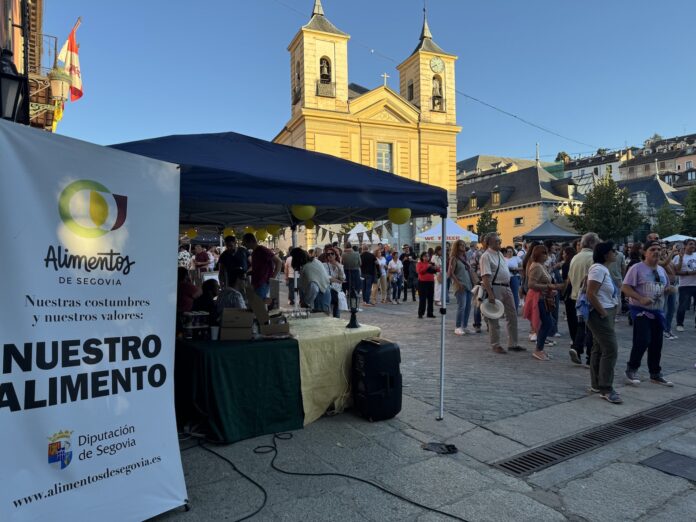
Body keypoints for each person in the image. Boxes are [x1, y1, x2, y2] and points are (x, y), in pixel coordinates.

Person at [622, 240, 675, 387]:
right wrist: (640, 298)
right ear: (644, 252)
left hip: (658, 312)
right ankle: (631, 369)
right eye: (652, 249)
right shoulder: (636, 268)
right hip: (641, 311)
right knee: (643, 340)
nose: (657, 252)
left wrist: (668, 290)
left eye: (658, 249)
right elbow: (625, 288)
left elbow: (665, 286)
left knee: (657, 343)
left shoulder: (661, 270)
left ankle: (655, 373)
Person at [585, 242, 622, 404]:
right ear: (606, 254)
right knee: (610, 348)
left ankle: (597, 384)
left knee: (599, 347)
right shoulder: (598, 269)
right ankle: (606, 387)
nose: (616, 253)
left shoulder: (602, 269)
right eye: (613, 251)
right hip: (600, 314)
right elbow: (590, 294)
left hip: (605, 311)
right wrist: (603, 312)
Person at [479, 232, 521, 354]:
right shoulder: (486, 256)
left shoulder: (500, 254)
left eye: (499, 240)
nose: (500, 242)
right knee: (494, 317)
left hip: (506, 287)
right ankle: (496, 344)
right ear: (489, 243)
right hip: (496, 288)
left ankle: (513, 343)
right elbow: (485, 277)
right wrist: (490, 294)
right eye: (497, 241)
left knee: (512, 315)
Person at [568, 232, 600, 365]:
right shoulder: (592, 257)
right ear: (592, 243)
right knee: (591, 328)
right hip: (588, 296)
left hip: (576, 296)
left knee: (581, 325)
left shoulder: (575, 257)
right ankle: (589, 356)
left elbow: (570, 277)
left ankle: (577, 347)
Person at [523, 245, 560, 360]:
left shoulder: (541, 265)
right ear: (538, 254)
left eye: (546, 253)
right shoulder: (536, 266)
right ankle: (538, 350)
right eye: (544, 253)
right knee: (548, 323)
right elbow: (531, 284)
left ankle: (540, 349)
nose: (546, 255)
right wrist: (548, 286)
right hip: (538, 299)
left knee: (548, 323)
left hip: (543, 298)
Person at [448, 240, 477, 335]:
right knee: (462, 306)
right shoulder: (454, 258)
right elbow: (451, 273)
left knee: (468, 307)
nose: (463, 246)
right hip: (460, 285)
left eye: (464, 245)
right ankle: (458, 327)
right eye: (461, 245)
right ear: (456, 246)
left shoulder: (465, 258)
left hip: (468, 285)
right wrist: (458, 283)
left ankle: (464, 326)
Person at [242, 233, 282, 299]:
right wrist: (247, 273)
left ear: (251, 241)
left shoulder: (262, 250)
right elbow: (257, 268)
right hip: (257, 283)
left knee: (259, 305)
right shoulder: (254, 252)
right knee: (257, 304)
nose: (244, 245)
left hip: (263, 283)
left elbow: (279, 261)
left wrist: (273, 277)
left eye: (245, 242)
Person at [291, 247, 331, 313]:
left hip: (319, 300)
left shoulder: (306, 268)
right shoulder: (316, 261)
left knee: (319, 320)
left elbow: (314, 288)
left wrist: (306, 302)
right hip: (326, 293)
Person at [673, 238, 696, 332]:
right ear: (685, 246)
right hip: (685, 285)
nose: (693, 246)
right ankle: (679, 324)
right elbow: (675, 271)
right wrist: (689, 273)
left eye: (694, 244)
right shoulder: (678, 257)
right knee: (683, 306)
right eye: (691, 244)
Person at [561, 246, 578, 344]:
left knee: (571, 318)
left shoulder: (566, 265)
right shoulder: (576, 262)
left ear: (567, 254)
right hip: (579, 291)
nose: (562, 255)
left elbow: (565, 281)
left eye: (563, 253)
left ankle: (574, 338)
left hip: (570, 292)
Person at [660, 244, 678, 339]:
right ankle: (663, 329)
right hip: (665, 287)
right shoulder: (659, 260)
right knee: (664, 309)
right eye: (661, 248)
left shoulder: (668, 259)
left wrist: (681, 258)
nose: (664, 249)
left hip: (673, 286)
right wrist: (673, 251)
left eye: (664, 247)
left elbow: (676, 270)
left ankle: (668, 328)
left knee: (672, 309)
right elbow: (669, 269)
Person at [323, 249, 345, 318]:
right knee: (328, 312)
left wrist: (338, 267)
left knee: (337, 312)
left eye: (332, 253)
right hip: (328, 290)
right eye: (328, 254)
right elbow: (327, 278)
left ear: (335, 255)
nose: (330, 255)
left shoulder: (340, 266)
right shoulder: (324, 265)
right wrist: (338, 281)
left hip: (338, 291)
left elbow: (343, 278)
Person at [416, 252, 437, 318]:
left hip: (431, 282)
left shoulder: (431, 264)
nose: (426, 257)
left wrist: (436, 268)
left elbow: (436, 270)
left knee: (430, 298)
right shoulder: (419, 264)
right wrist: (427, 266)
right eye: (425, 256)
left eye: (427, 256)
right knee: (422, 299)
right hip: (422, 283)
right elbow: (419, 271)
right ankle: (421, 313)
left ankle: (430, 313)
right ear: (422, 257)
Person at [504, 246, 522, 311]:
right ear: (506, 252)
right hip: (505, 278)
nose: (509, 253)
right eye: (508, 251)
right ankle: (507, 311)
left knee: (515, 294)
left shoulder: (516, 258)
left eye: (511, 251)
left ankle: (515, 310)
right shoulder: (503, 259)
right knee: (506, 295)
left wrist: (515, 269)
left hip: (514, 277)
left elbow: (522, 267)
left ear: (513, 252)